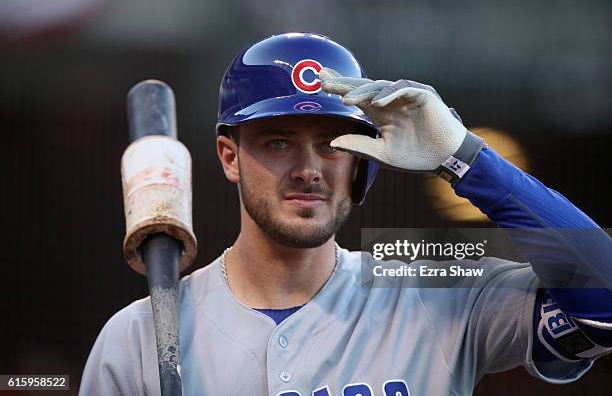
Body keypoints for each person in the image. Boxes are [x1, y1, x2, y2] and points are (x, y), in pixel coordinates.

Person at [80, 32, 612, 395]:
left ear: (362, 161)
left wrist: (467, 158)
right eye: (279, 141)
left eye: (334, 143)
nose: (310, 168)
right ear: (229, 157)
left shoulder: (435, 287)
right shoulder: (138, 338)